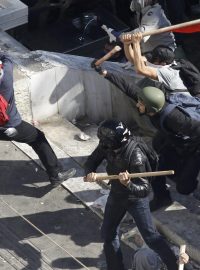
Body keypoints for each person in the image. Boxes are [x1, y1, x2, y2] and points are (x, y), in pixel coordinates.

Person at [90, 62, 200, 212]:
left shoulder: (177, 119)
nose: (137, 106)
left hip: (194, 147)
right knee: (154, 166)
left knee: (184, 188)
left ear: (150, 108)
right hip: (174, 141)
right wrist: (105, 73)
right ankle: (162, 198)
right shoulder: (152, 104)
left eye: (140, 104)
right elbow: (129, 89)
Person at [84, 119, 179, 270]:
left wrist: (128, 183)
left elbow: (145, 189)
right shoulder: (107, 145)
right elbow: (91, 161)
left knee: (151, 237)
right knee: (108, 234)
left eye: (104, 141)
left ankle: (175, 266)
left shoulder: (136, 156)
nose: (101, 144)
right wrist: (90, 173)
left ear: (114, 142)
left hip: (135, 200)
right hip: (116, 194)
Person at [0, 52, 76, 188]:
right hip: (11, 126)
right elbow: (8, 59)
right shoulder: (5, 78)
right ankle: (56, 174)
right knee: (38, 138)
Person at [121, 32, 189, 95]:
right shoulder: (159, 64)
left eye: (155, 59)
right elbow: (134, 60)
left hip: (180, 104)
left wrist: (136, 43)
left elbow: (140, 69)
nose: (152, 60)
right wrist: (127, 44)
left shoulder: (167, 73)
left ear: (163, 63)